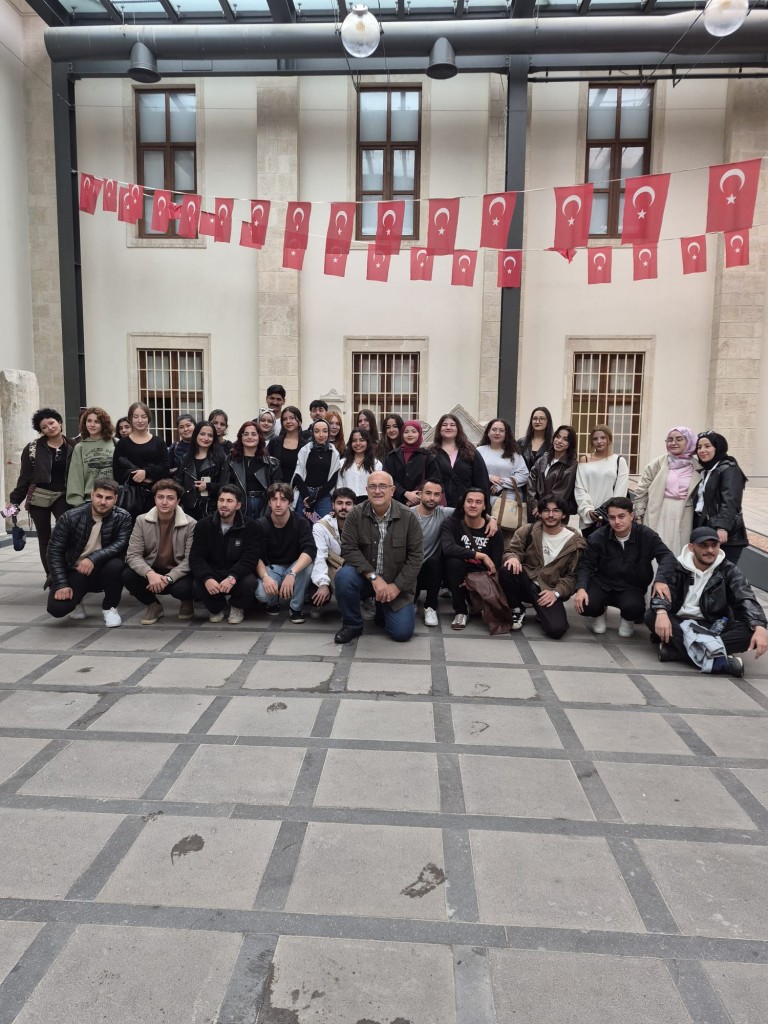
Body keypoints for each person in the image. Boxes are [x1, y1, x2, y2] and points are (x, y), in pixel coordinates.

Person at [646, 526, 768, 677]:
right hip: (680, 622)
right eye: (703, 545)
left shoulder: (729, 570)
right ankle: (721, 662)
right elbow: (661, 592)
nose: (710, 550)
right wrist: (661, 612)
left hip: (713, 624)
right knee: (652, 615)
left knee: (751, 632)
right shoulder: (676, 566)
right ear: (691, 547)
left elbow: (745, 597)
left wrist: (760, 627)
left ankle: (675, 652)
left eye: (714, 545)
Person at [334, 470, 423, 644]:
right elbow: (349, 549)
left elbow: (416, 557)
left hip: (396, 582)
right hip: (366, 578)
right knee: (344, 577)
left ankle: (383, 609)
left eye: (383, 486)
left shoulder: (409, 517)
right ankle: (352, 624)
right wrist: (374, 577)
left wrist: (396, 587)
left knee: (402, 633)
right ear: (366, 490)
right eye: (373, 486)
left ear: (392, 490)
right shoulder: (355, 514)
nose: (377, 491)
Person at [573, 496, 676, 638]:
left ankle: (628, 620)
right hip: (602, 583)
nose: (617, 522)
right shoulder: (598, 536)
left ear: (631, 516)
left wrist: (661, 579)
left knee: (635, 609)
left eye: (621, 516)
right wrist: (581, 588)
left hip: (631, 586)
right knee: (586, 604)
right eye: (612, 517)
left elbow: (667, 556)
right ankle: (599, 613)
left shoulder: (646, 535)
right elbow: (586, 564)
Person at [46, 477, 131, 626]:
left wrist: (93, 558)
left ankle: (109, 608)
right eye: (99, 496)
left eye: (108, 498)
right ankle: (77, 601)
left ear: (116, 499)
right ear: (91, 495)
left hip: (103, 569)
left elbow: (121, 544)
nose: (103, 502)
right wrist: (61, 584)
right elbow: (54, 552)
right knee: (57, 609)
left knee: (116, 565)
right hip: (76, 570)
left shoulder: (123, 517)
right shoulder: (70, 517)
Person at [502, 495, 586, 638]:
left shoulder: (575, 541)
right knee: (507, 569)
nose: (551, 515)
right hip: (526, 580)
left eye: (556, 511)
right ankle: (516, 608)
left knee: (557, 630)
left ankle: (542, 612)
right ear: (539, 513)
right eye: (546, 510)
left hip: (548, 589)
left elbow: (572, 575)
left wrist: (556, 593)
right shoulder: (528, 530)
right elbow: (511, 550)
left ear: (563, 515)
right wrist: (513, 557)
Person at [10, 407, 75, 575]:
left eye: (52, 423)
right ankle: (51, 575)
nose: (50, 428)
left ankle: (67, 572)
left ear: (59, 422)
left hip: (63, 496)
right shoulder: (33, 448)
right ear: (41, 431)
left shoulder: (74, 446)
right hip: (39, 497)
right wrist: (14, 501)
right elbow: (25, 477)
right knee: (44, 538)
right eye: (44, 427)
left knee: (67, 534)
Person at [122, 478, 196, 624]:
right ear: (155, 499)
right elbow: (133, 555)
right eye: (160, 497)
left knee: (183, 588)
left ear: (178, 501)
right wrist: (150, 574)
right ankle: (153, 605)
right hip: (152, 570)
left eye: (170, 498)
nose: (164, 502)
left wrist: (168, 578)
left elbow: (190, 560)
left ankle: (186, 600)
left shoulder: (190, 524)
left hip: (178, 573)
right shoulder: (141, 521)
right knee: (127, 575)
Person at [441, 487, 514, 630]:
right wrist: (481, 555)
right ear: (463, 504)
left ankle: (480, 603)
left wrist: (474, 582)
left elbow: (495, 564)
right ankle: (461, 611)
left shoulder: (493, 530)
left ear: (485, 506)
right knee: (453, 562)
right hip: (457, 576)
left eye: (478, 502)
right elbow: (448, 548)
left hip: (482, 579)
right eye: (469, 501)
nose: (473, 505)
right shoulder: (452, 523)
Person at [188, 484, 259, 624]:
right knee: (198, 582)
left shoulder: (251, 526)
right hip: (214, 571)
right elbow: (196, 557)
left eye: (229, 501)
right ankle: (216, 608)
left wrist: (232, 577)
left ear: (238, 505)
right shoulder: (203, 525)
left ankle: (237, 606)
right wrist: (207, 578)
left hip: (237, 574)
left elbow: (250, 558)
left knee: (249, 582)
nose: (224, 505)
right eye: (221, 500)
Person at [254, 482, 317, 623]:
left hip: (294, 567)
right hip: (272, 568)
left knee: (308, 565)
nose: (278, 504)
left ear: (290, 503)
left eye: (283, 499)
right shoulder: (261, 524)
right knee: (262, 594)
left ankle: (295, 608)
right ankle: (272, 602)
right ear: (269, 502)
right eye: (274, 499)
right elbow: (255, 556)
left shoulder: (301, 522)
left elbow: (310, 549)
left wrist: (292, 573)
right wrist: (265, 577)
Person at [632, 427, 699, 556]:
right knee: (655, 546)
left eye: (679, 439)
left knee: (680, 549)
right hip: (659, 510)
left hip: (684, 514)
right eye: (670, 440)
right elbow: (641, 490)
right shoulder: (657, 464)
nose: (673, 443)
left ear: (689, 441)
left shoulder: (698, 467)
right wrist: (639, 515)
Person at [693, 430, 748, 565]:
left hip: (725, 534)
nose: (702, 450)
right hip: (708, 529)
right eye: (699, 447)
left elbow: (730, 501)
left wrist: (723, 527)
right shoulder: (707, 469)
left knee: (724, 574)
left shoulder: (729, 468)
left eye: (707, 446)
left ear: (718, 448)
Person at [112, 401, 170, 518]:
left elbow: (165, 468)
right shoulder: (122, 444)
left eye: (143, 417)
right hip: (131, 498)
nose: (140, 420)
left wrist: (146, 472)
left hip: (156, 496)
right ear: (130, 419)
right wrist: (136, 475)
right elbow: (117, 472)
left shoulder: (158, 442)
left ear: (148, 419)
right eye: (136, 417)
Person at [477, 418, 529, 541]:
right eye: (494, 429)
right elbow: (473, 472)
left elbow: (524, 475)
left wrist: (501, 484)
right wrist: (489, 477)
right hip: (483, 500)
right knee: (483, 536)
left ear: (506, 434)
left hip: (508, 502)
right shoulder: (479, 451)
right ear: (488, 432)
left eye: (501, 430)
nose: (497, 433)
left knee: (505, 539)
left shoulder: (514, 454)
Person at [574, 423, 630, 537]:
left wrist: (609, 513)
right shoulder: (584, 459)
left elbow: (620, 491)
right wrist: (588, 511)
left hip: (611, 519)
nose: (599, 441)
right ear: (591, 442)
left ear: (609, 439)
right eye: (595, 439)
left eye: (603, 437)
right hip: (589, 519)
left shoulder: (619, 461)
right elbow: (580, 488)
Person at [221, 420, 282, 520]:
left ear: (259, 437)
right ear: (241, 437)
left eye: (253, 434)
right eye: (246, 434)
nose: (250, 437)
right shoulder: (230, 461)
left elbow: (277, 490)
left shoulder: (272, 463)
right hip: (239, 504)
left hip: (263, 504)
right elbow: (224, 487)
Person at [429, 412, 491, 509]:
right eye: (444, 425)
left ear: (458, 428)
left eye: (452, 425)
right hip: (438, 507)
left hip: (466, 507)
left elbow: (482, 480)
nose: (448, 427)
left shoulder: (470, 451)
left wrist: (486, 509)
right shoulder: (431, 452)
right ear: (439, 429)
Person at [311, 487, 356, 614]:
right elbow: (320, 555)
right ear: (333, 505)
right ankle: (320, 601)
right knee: (315, 593)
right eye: (339, 503)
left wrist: (347, 567)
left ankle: (364, 600)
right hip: (330, 567)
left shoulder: (361, 524)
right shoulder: (321, 526)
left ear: (354, 506)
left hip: (352, 568)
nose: (343, 507)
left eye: (348, 504)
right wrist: (323, 584)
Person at [66, 407, 117, 508]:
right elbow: (75, 477)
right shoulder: (80, 447)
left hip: (112, 499)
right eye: (89, 421)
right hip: (88, 501)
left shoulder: (115, 443)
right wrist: (78, 503)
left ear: (104, 424)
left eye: (97, 422)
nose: (92, 425)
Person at [526, 424, 579, 520]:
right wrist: (535, 505)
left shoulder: (571, 465)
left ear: (570, 444)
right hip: (537, 512)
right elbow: (531, 482)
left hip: (556, 514)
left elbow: (562, 492)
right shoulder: (544, 458)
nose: (559, 441)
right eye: (557, 437)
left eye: (565, 439)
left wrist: (545, 509)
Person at [384, 420, 441, 507]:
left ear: (419, 434)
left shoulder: (428, 456)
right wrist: (405, 493)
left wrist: (417, 495)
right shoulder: (393, 456)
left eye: (414, 431)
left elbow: (434, 480)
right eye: (406, 432)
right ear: (402, 434)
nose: (410, 435)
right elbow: (387, 478)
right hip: (395, 503)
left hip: (421, 504)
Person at [292, 419, 341, 521]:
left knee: (324, 527)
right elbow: (298, 475)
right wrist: (307, 498)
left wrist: (314, 498)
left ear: (329, 433)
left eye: (325, 431)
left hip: (323, 496)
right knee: (302, 527)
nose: (321, 435)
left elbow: (333, 479)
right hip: (304, 495)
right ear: (312, 433)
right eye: (317, 431)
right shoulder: (305, 450)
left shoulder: (334, 453)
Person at [178, 421, 226, 520]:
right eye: (202, 434)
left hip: (211, 509)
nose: (206, 438)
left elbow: (226, 484)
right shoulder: (186, 458)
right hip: (188, 510)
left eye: (210, 435)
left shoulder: (221, 458)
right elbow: (178, 482)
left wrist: (208, 486)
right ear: (196, 435)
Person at [337, 428, 382, 503]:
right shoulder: (342, 463)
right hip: (347, 502)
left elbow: (378, 486)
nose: (358, 443)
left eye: (362, 440)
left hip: (369, 502)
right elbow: (339, 486)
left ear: (367, 442)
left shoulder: (376, 464)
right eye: (354, 440)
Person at [268, 405, 303, 484]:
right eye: (284, 419)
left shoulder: (305, 446)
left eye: (292, 418)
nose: (288, 421)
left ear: (300, 421)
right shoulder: (274, 442)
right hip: (276, 487)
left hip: (297, 487)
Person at [517, 407, 553, 472]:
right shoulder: (521, 442)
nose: (537, 421)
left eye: (542, 419)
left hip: (543, 478)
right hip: (522, 478)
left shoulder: (553, 444)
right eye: (534, 418)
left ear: (548, 422)